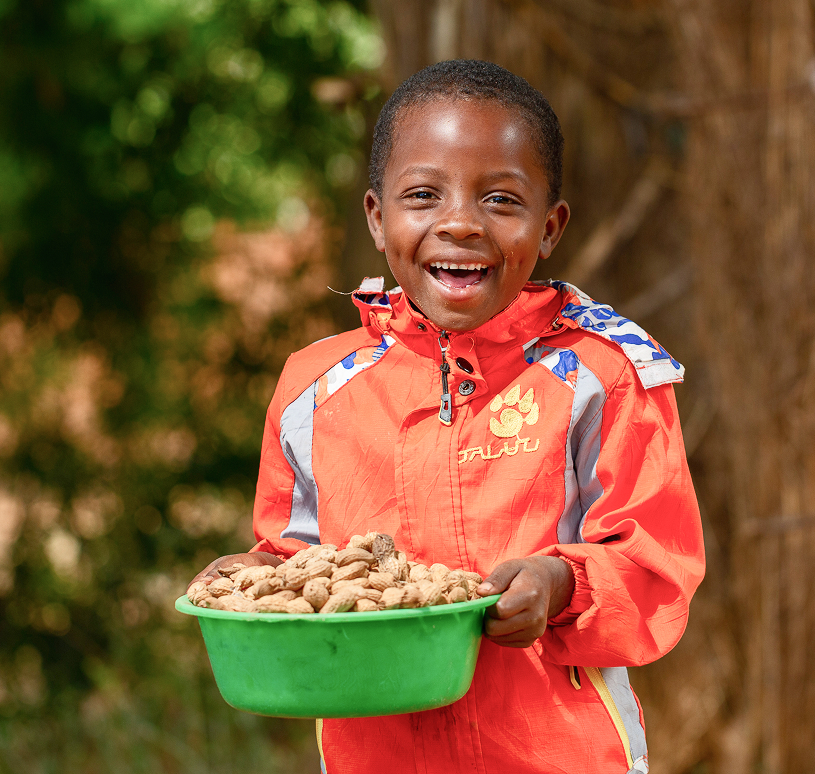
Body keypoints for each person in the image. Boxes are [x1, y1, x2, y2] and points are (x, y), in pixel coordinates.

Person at [192, 59, 705, 774]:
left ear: (549, 227)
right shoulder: (315, 387)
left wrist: (560, 586)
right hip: (373, 757)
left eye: (500, 200)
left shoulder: (605, 374)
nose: (459, 223)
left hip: (560, 756)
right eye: (424, 194)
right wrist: (247, 579)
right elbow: (298, 563)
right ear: (377, 218)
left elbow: (656, 569)